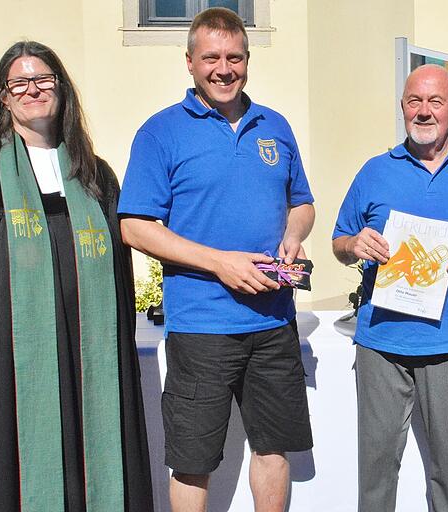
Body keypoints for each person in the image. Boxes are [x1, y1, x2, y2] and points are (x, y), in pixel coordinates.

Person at [0, 41, 154, 511]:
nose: (34, 90)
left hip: (91, 369)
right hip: (9, 374)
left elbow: (118, 275)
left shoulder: (93, 176)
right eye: (20, 83)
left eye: (44, 79)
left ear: (61, 89)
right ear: (4, 97)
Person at [117, 8, 314, 512]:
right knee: (193, 458)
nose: (223, 69)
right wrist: (219, 263)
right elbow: (135, 226)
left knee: (272, 447)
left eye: (234, 58)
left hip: (274, 320)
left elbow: (302, 203)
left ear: (247, 60)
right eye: (211, 58)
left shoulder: (276, 125)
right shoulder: (160, 133)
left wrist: (294, 233)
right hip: (201, 324)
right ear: (189, 62)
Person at [332, 64, 448, 512]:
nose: (424, 111)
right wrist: (355, 243)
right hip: (381, 345)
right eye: (415, 101)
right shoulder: (374, 171)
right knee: (376, 469)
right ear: (402, 107)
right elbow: (339, 242)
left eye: (435, 102)